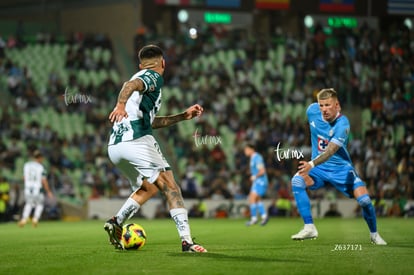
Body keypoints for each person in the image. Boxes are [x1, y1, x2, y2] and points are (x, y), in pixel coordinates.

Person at [103, 44, 207, 252]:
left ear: (140, 64)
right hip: (137, 140)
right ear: (163, 64)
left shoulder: (143, 84)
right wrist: (120, 105)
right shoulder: (154, 76)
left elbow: (150, 121)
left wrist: (182, 116)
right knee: (171, 186)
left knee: (149, 187)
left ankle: (117, 221)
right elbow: (128, 84)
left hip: (115, 146)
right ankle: (187, 241)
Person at [291, 88, 387, 245]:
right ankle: (309, 227)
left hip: (341, 169)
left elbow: (330, 151)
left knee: (364, 201)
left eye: (328, 105)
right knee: (296, 181)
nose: (324, 109)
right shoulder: (312, 110)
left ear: (338, 106)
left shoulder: (343, 124)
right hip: (319, 170)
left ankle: (374, 234)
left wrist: (311, 163)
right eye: (321, 105)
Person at [18, 150, 53, 227]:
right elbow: (44, 180)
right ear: (40, 158)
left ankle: (24, 219)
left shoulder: (26, 165)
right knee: (39, 204)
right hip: (37, 189)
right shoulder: (41, 167)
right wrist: (49, 191)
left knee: (28, 204)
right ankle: (35, 219)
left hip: (27, 189)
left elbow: (24, 178)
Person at [244, 143, 269, 226]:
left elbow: (262, 171)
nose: (245, 151)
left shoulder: (257, 157)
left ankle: (254, 219)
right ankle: (264, 216)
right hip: (257, 182)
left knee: (252, 198)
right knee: (257, 199)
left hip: (260, 181)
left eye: (247, 149)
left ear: (252, 149)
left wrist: (255, 176)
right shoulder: (252, 158)